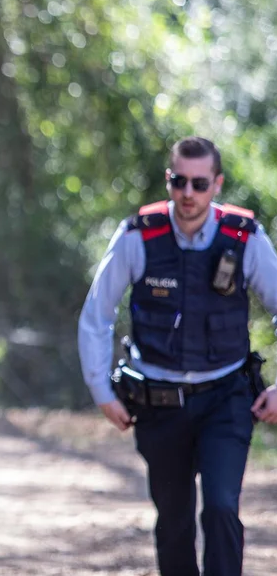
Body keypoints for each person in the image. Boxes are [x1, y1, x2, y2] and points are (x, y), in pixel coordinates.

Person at [79, 136, 277, 576]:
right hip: (159, 403)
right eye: (179, 181)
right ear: (169, 180)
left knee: (222, 508)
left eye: (200, 183)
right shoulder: (138, 235)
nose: (188, 193)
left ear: (217, 184)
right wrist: (101, 390)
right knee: (174, 520)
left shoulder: (244, 236)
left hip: (226, 397)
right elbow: (97, 314)